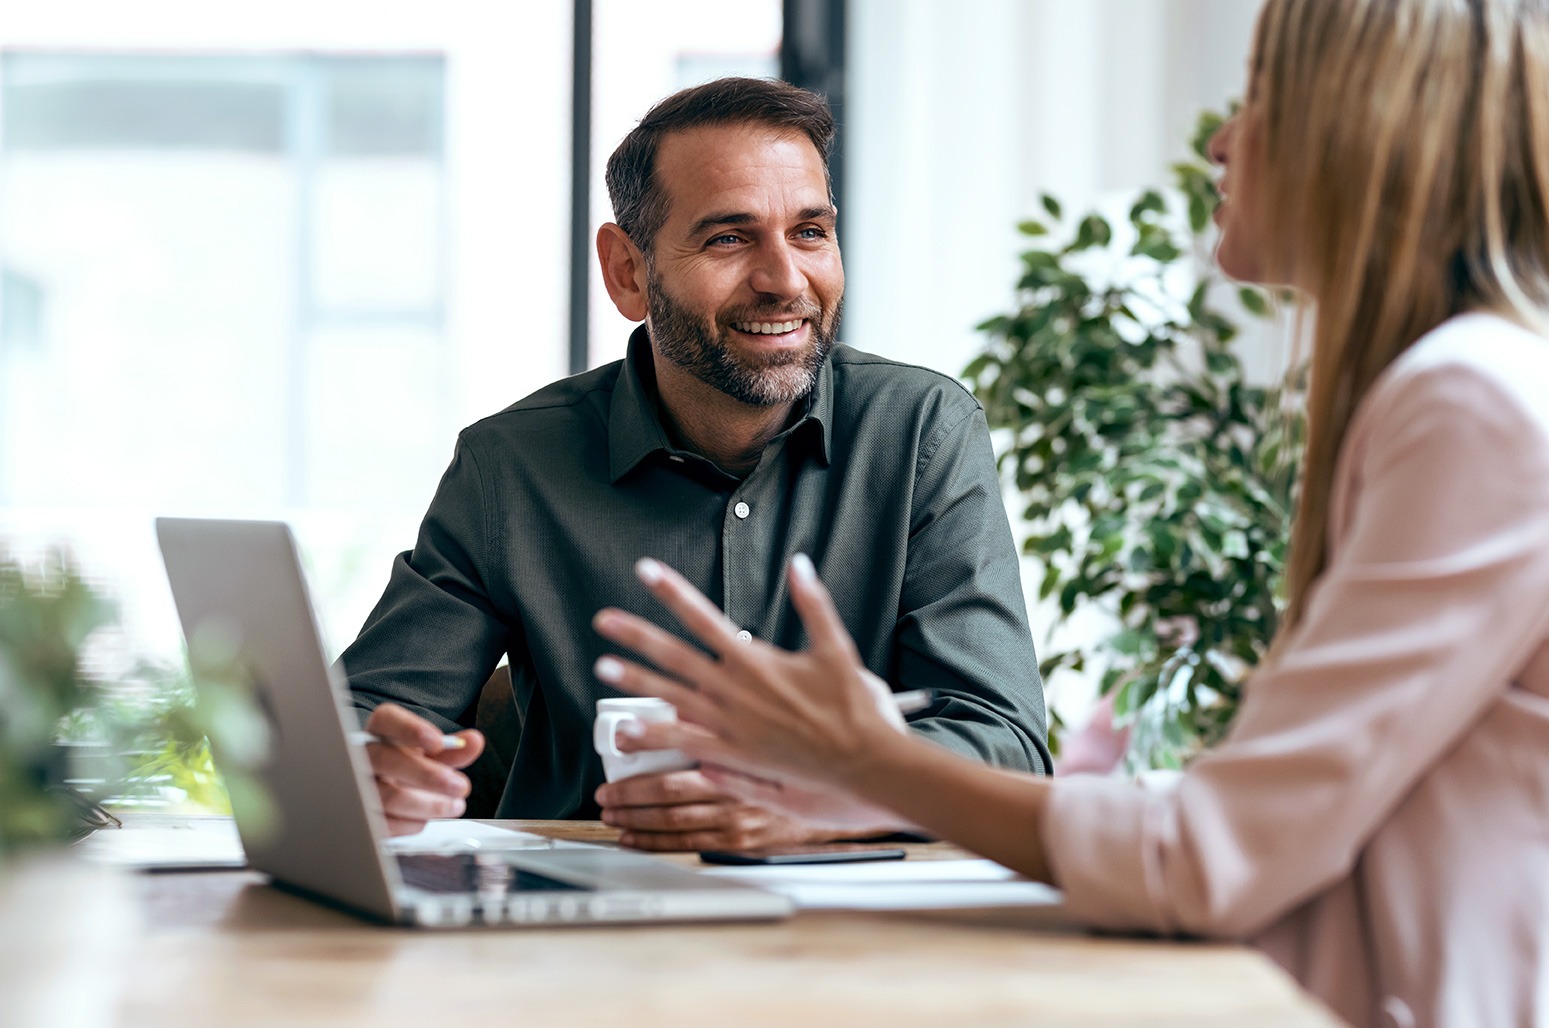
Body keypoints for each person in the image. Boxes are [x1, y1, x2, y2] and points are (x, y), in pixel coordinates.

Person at [590, 1, 1549, 1023]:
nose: (1221, 141)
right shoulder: (1449, 390)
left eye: (1261, 96)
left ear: (1366, 129)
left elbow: (1205, 858)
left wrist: (872, 763)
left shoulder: (1470, 405)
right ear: (628, 270)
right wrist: (867, 783)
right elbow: (1261, 824)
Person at [340, 77, 1051, 852]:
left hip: (845, 907)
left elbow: (1004, 741)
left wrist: (826, 800)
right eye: (728, 239)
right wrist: (374, 767)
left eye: (809, 232)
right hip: (581, 896)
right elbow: (363, 714)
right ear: (627, 271)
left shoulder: (921, 433)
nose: (785, 280)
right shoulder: (510, 465)